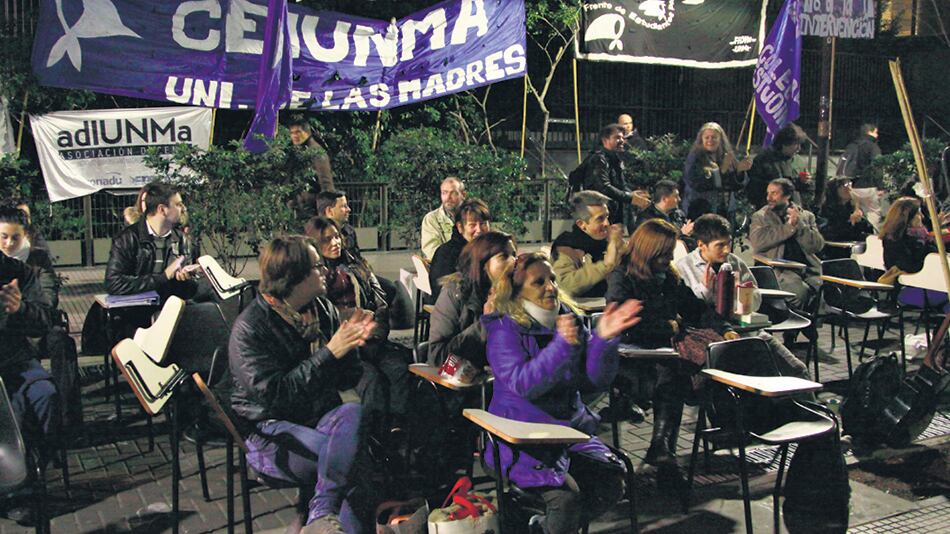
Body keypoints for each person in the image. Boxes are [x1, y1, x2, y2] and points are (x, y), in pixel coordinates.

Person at [484, 252, 642, 534]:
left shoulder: (569, 319)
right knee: (566, 499)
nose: (551, 287)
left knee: (612, 483)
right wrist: (561, 347)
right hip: (520, 439)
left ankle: (542, 528)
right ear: (517, 292)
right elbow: (523, 384)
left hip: (568, 433)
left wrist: (603, 340)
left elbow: (594, 380)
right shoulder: (504, 328)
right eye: (539, 282)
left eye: (553, 279)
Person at [228, 236, 372, 534]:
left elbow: (348, 379)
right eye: (317, 266)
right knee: (351, 460)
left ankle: (317, 516)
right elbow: (277, 397)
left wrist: (351, 345)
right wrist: (330, 352)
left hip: (316, 418)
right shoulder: (251, 327)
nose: (326, 271)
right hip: (268, 430)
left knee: (353, 415)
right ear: (294, 277)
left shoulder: (322, 309)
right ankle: (318, 515)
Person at [606, 219, 739, 488]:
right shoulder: (623, 276)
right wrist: (668, 326)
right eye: (664, 254)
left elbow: (696, 308)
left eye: (670, 253)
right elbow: (623, 323)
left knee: (678, 371)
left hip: (665, 353)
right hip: (630, 359)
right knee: (672, 375)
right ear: (649, 250)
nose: (669, 259)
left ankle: (664, 450)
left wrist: (724, 329)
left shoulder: (668, 277)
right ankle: (664, 453)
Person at [304, 217, 410, 436]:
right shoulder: (314, 277)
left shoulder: (356, 265)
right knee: (372, 381)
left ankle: (397, 429)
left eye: (336, 236)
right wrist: (354, 323)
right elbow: (321, 317)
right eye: (327, 239)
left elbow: (380, 302)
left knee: (398, 369)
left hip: (373, 339)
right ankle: (373, 438)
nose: (335, 242)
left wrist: (376, 332)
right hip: (345, 347)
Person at [675, 214, 811, 382]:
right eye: (720, 245)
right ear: (701, 245)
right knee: (756, 378)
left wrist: (741, 294)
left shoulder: (735, 263)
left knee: (798, 370)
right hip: (713, 340)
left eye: (728, 243)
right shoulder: (684, 268)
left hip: (748, 332)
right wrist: (705, 289)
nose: (727, 250)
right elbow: (692, 311)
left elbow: (754, 302)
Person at [0, 206, 82, 428]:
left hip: (24, 342)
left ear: (24, 236)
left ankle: (68, 418)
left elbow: (47, 303)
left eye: (14, 237)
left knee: (61, 343)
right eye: (3, 237)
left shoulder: (31, 264)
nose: (8, 243)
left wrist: (20, 307)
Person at [0, 253, 58, 479]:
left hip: (15, 362)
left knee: (45, 394)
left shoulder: (18, 272)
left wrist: (20, 308)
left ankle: (32, 472)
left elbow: (44, 322)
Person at [428, 231, 516, 368]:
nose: (514, 261)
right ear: (483, 263)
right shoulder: (455, 292)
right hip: (467, 377)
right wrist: (484, 325)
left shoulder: (518, 290)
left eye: (514, 255)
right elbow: (437, 356)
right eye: (504, 256)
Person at [105, 181, 198, 301]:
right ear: (162, 210)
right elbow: (113, 283)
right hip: (135, 307)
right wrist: (163, 277)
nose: (184, 208)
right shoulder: (127, 238)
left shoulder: (180, 239)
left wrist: (188, 276)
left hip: (169, 306)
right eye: (178, 204)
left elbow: (185, 291)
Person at [749, 179, 825, 312]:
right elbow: (758, 242)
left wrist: (799, 225)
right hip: (779, 269)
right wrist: (789, 228)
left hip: (807, 268)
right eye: (768, 193)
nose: (769, 198)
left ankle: (809, 321)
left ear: (787, 196)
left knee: (823, 289)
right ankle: (797, 320)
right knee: (800, 292)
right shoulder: (761, 216)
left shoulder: (806, 216)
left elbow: (817, 246)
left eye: (774, 193)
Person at [551, 191, 624, 299]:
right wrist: (605, 266)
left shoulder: (610, 241)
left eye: (607, 217)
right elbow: (566, 286)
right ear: (582, 224)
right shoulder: (566, 247)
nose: (607, 223)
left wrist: (620, 249)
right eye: (600, 219)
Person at [682, 122, 752, 219]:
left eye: (714, 137)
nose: (710, 140)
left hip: (726, 210)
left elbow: (736, 186)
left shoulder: (727, 156)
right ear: (701, 140)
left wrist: (739, 171)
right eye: (707, 137)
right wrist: (721, 171)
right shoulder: (695, 158)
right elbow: (696, 183)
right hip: (701, 210)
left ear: (720, 139)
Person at [428, 198, 491, 302]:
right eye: (472, 225)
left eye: (483, 223)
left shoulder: (493, 249)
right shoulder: (446, 254)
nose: (479, 230)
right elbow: (444, 294)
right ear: (460, 227)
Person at [582, 124, 639, 227]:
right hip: (601, 217)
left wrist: (633, 195)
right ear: (605, 140)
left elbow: (620, 185)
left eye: (623, 138)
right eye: (617, 137)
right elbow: (604, 187)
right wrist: (629, 197)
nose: (622, 141)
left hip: (613, 215)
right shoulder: (598, 159)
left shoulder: (614, 159)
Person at [746, 123, 811, 209]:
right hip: (769, 210)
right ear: (784, 143)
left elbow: (805, 191)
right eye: (795, 144)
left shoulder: (799, 161)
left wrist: (805, 182)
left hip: (794, 210)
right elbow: (754, 189)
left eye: (800, 144)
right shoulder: (763, 160)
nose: (799, 148)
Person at [841, 123, 883, 228]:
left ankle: (854, 231)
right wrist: (880, 186)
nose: (877, 135)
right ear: (870, 132)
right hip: (868, 186)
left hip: (852, 186)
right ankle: (871, 233)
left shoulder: (851, 146)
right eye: (876, 132)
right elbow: (877, 166)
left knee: (855, 213)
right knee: (873, 213)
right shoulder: (873, 147)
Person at [818, 177, 874, 247]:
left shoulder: (853, 207)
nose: (849, 188)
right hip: (834, 248)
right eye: (845, 185)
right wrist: (850, 222)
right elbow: (827, 232)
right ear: (835, 189)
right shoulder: (826, 209)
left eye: (850, 184)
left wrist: (860, 221)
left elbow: (869, 230)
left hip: (854, 247)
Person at [420, 177, 465, 260]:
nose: (448, 197)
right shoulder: (431, 219)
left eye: (453, 193)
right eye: (444, 193)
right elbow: (432, 253)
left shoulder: (474, 216)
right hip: (447, 266)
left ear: (463, 195)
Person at [289, 117, 335, 194]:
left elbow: (326, 182)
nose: (294, 136)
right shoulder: (298, 151)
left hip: (313, 199)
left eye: (298, 132)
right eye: (292, 133)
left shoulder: (316, 151)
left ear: (307, 133)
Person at [316, 191, 358, 258]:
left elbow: (357, 257)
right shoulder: (313, 236)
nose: (349, 209)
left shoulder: (349, 231)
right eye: (344, 206)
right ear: (329, 211)